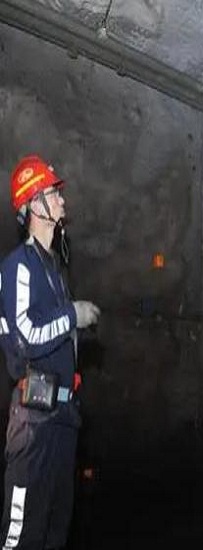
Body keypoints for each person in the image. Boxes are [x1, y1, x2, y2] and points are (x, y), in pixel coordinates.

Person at [0, 155, 100, 549]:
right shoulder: (18, 266)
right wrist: (72, 315)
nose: (62, 200)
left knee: (56, 529)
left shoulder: (55, 270)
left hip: (62, 419)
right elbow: (25, 336)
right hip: (34, 425)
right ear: (34, 205)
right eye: (54, 193)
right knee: (22, 535)